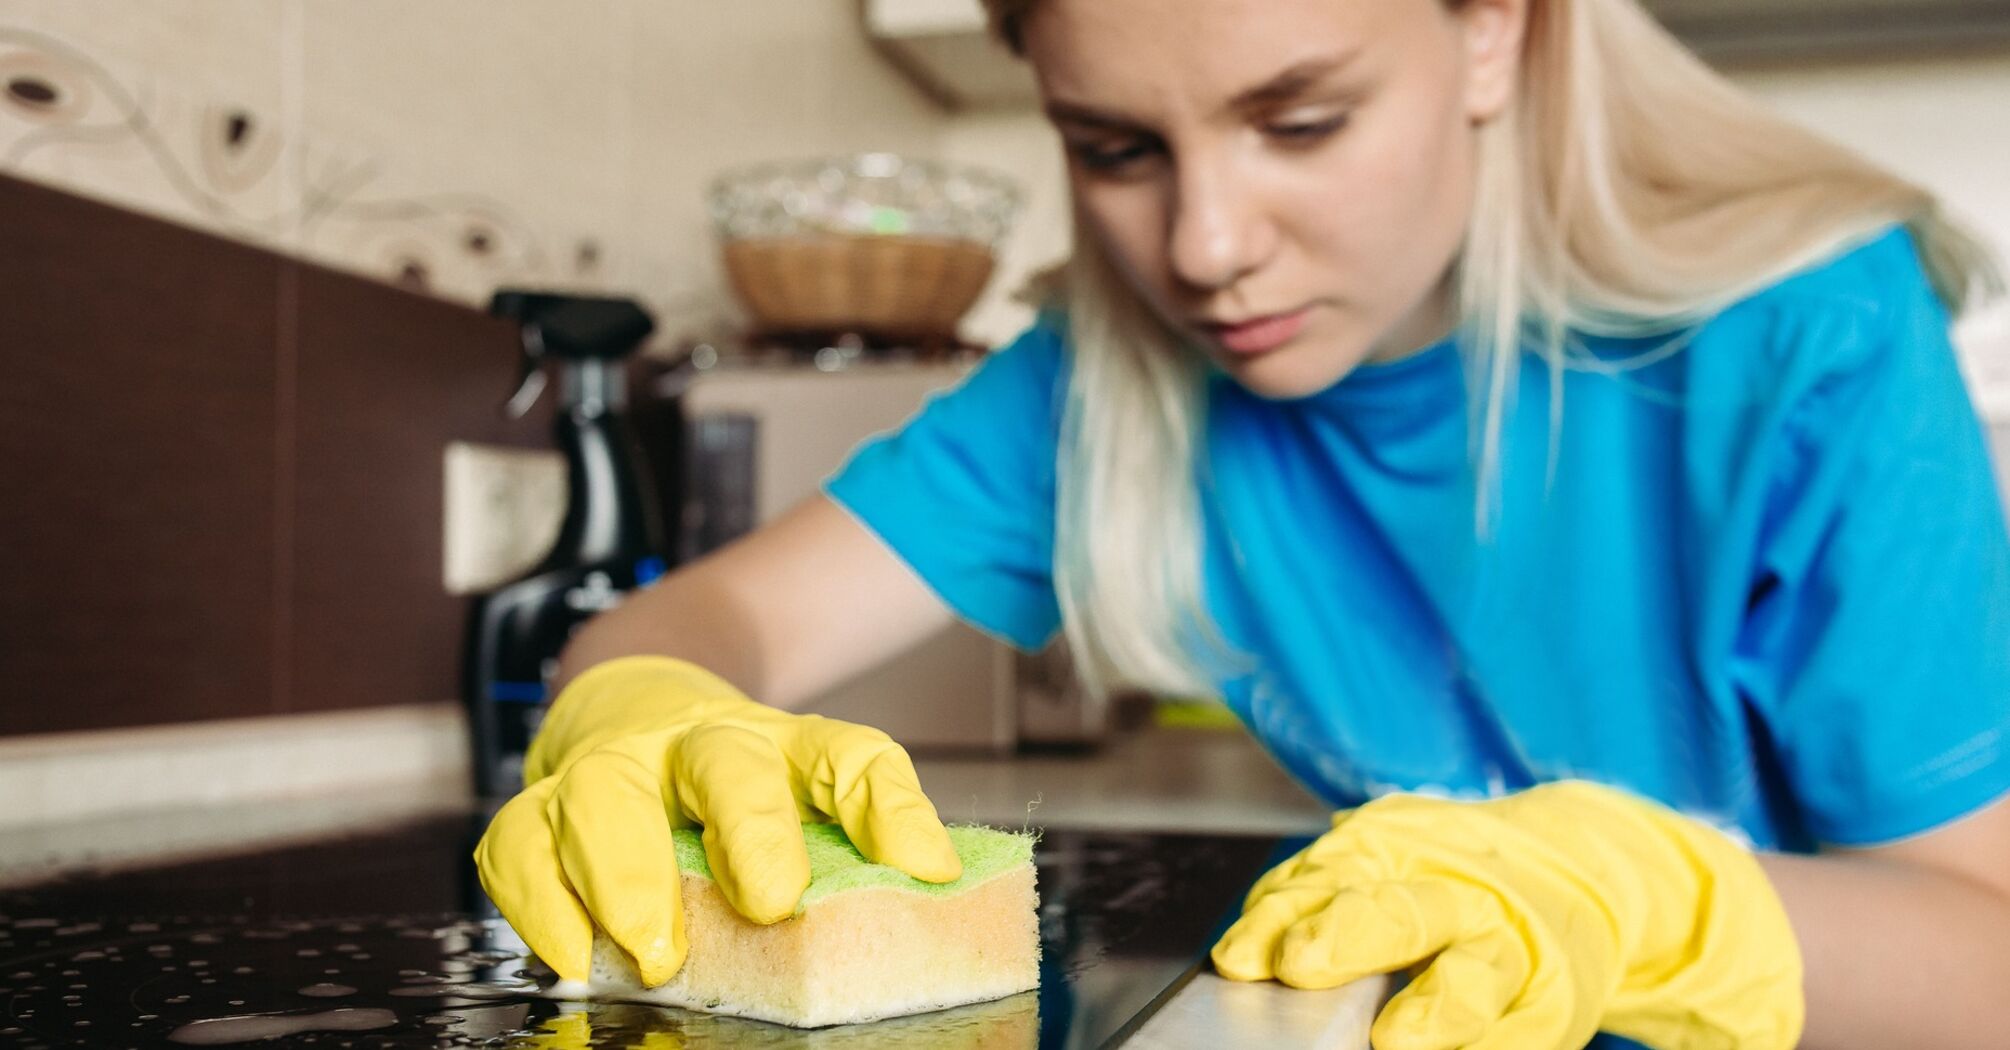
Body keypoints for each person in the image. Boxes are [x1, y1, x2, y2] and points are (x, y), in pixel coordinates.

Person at [474, 0, 2010, 1046]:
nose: (1203, 252)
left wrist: (1649, 901)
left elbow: (1984, 957)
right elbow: (705, 620)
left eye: (1301, 119)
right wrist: (641, 713)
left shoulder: (1809, 332)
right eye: (1115, 149)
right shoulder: (1104, 379)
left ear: (1491, 31)